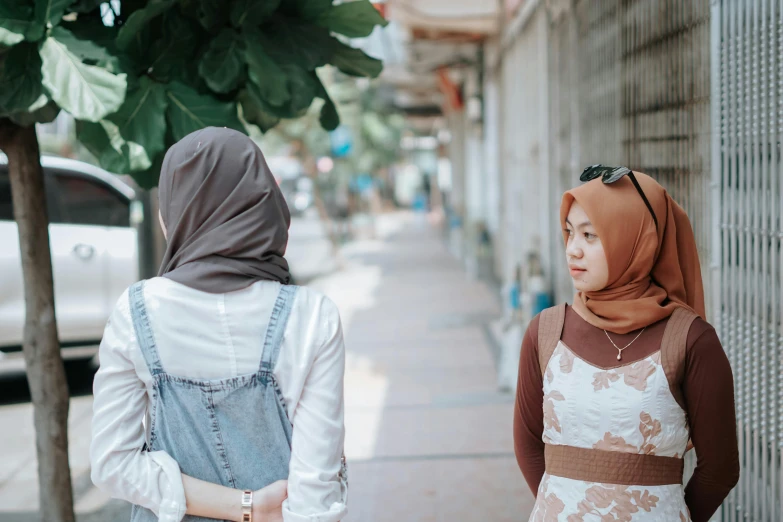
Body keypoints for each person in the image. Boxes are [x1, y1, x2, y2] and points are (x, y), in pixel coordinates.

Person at [90, 128, 348, 522]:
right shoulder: (312, 316)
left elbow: (113, 465)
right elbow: (315, 496)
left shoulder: (136, 311)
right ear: (264, 204)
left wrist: (241, 506)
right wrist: (254, 509)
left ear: (177, 212)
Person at [514, 167, 740, 521]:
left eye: (590, 236)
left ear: (635, 240)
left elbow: (720, 469)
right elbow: (528, 444)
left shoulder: (691, 340)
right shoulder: (545, 332)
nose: (573, 250)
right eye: (570, 233)